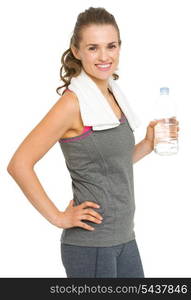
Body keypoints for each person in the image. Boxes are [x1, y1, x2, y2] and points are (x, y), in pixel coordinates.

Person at [7, 7, 179, 278]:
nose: (104, 56)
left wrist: (148, 143)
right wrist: (58, 217)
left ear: (120, 47)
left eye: (111, 46)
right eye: (92, 48)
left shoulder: (113, 94)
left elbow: (110, 164)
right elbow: (19, 164)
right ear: (76, 51)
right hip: (91, 246)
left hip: (125, 238)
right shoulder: (71, 104)